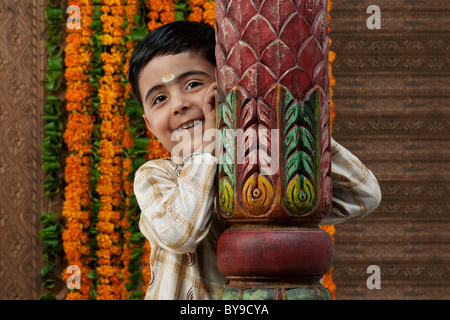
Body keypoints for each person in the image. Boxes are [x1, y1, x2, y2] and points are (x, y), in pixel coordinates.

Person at [128, 21, 381, 300]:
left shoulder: (258, 160)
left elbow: (364, 195)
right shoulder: (155, 176)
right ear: (149, 125)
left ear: (226, 87)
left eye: (193, 84)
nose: (179, 104)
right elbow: (181, 233)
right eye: (160, 98)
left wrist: (288, 122)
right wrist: (209, 144)